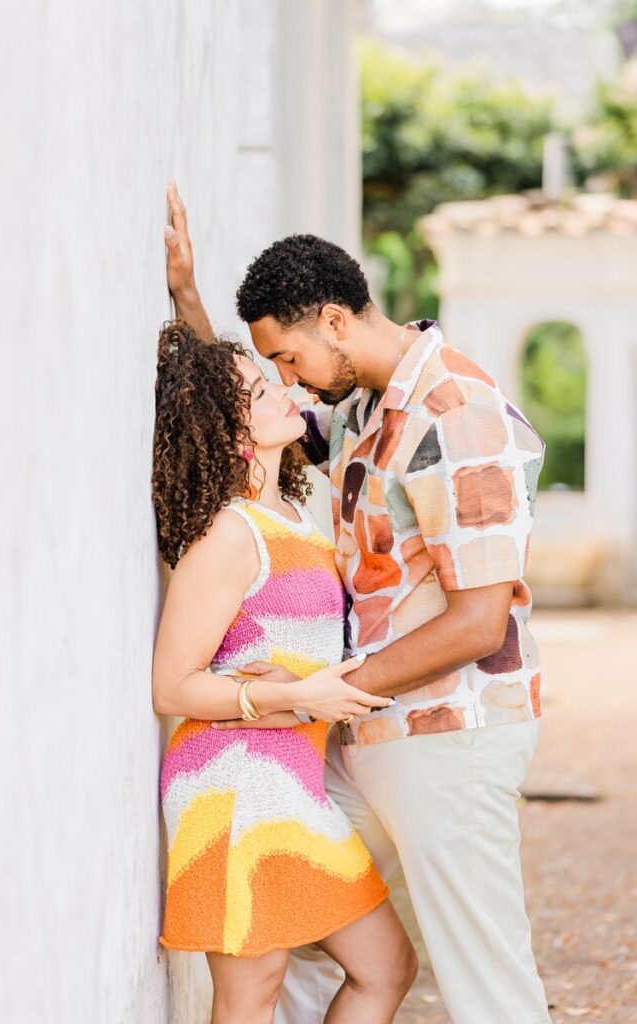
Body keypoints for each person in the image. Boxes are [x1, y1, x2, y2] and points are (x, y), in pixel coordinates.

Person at [164, 180, 552, 1024]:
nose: (286, 379)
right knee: (297, 928)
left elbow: (479, 620)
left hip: (448, 734)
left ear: (335, 322)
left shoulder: (456, 413)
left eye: (289, 359)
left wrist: (328, 685)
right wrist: (187, 298)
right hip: (360, 731)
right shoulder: (361, 409)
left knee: (483, 974)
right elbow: (244, 422)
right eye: (273, 370)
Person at [151, 323, 418, 1024]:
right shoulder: (228, 533)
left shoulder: (294, 517)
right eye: (262, 390)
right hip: (234, 785)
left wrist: (295, 698)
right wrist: (291, 695)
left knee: (385, 967)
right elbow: (171, 685)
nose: (287, 388)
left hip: (290, 780)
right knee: (252, 991)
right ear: (235, 437)